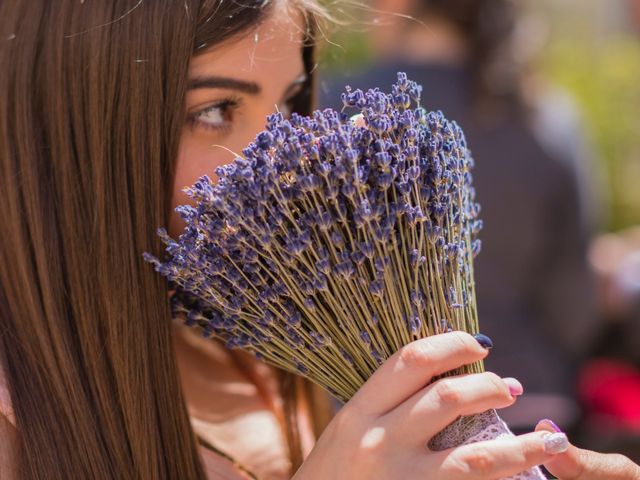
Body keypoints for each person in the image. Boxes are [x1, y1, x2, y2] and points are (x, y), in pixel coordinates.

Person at [1, 1, 639, 479]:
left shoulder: (265, 351)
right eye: (216, 110)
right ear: (74, 126)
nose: (284, 164)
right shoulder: (17, 424)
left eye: (290, 107)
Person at [319, 0, 603, 435]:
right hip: (533, 412)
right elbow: (573, 302)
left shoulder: (333, 108)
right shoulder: (547, 117)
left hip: (393, 424)